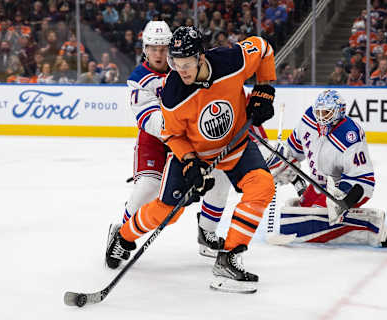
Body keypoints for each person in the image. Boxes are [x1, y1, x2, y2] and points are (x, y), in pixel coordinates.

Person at [106, 26, 277, 293]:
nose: (180, 70)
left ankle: (229, 257)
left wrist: (265, 87)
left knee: (262, 186)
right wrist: (189, 162)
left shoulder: (231, 60)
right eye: (175, 64)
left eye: (185, 64)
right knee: (167, 213)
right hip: (194, 153)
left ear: (201, 57)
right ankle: (124, 237)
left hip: (235, 147)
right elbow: (171, 134)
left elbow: (264, 48)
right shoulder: (174, 91)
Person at [104, 22, 230, 269]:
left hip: (189, 138)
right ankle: (122, 234)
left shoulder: (186, 67)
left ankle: (207, 231)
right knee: (147, 189)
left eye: (163, 48)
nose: (159, 54)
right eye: (153, 48)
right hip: (155, 141)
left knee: (220, 173)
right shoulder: (139, 79)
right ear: (145, 49)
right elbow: (151, 121)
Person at [268, 90, 387, 247]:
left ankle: (375, 228)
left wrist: (342, 200)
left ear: (339, 112)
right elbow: (293, 150)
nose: (321, 116)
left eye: (326, 112)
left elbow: (364, 181)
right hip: (319, 184)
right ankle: (350, 222)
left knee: (310, 222)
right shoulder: (309, 119)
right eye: (319, 111)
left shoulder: (350, 135)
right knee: (297, 213)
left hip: (347, 188)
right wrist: (282, 163)